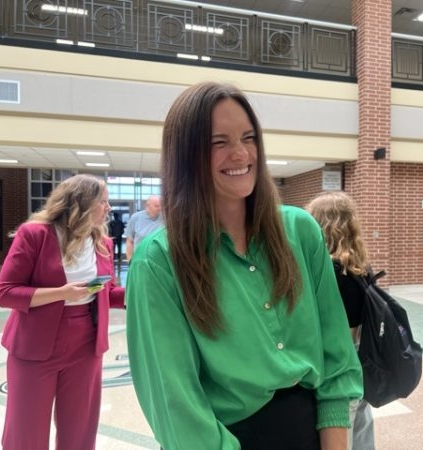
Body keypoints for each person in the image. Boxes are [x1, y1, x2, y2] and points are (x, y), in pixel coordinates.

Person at [125, 81, 362, 450]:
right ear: (186, 156)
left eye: (248, 138)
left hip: (312, 433)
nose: (240, 154)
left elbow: (336, 356)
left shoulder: (300, 232)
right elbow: (176, 406)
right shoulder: (159, 262)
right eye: (219, 142)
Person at [0, 174, 126, 450]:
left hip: (86, 343)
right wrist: (62, 294)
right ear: (81, 203)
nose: (108, 208)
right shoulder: (35, 235)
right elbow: (6, 293)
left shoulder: (103, 243)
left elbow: (108, 293)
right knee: (26, 428)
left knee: (80, 428)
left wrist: (142, 293)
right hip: (34, 344)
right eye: (103, 201)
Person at [306, 191, 376, 450]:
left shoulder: (326, 272)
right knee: (361, 424)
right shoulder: (361, 268)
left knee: (338, 427)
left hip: (334, 359)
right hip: (361, 356)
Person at [124, 195, 163, 262]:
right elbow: (129, 241)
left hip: (158, 261)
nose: (160, 208)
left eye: (161, 206)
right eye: (156, 206)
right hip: (140, 260)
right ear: (148, 206)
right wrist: (130, 260)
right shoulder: (136, 217)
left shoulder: (164, 219)